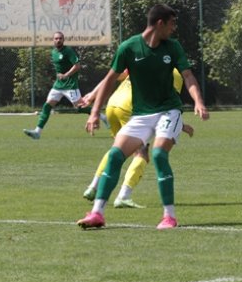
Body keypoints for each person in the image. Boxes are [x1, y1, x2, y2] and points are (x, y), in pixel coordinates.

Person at [76, 4, 209, 230]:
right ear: (160, 23)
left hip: (169, 110)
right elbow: (109, 80)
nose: (174, 29)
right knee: (115, 156)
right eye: (172, 24)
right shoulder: (129, 48)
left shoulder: (173, 47)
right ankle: (97, 214)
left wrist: (198, 101)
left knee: (158, 155)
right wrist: (94, 112)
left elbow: (188, 76)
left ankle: (169, 217)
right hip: (141, 115)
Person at [78, 68, 194, 209]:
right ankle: (123, 196)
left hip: (113, 105)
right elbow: (167, 102)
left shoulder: (143, 60)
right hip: (130, 107)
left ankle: (93, 187)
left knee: (117, 149)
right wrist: (181, 125)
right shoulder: (173, 72)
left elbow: (111, 77)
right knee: (142, 153)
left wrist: (92, 96)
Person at [23, 31, 106, 139]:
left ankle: (102, 116)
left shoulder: (68, 51)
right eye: (56, 38)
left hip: (70, 85)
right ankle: (37, 132)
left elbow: (77, 66)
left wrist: (66, 75)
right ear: (53, 40)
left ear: (63, 40)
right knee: (47, 106)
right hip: (58, 85)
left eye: (60, 38)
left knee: (79, 108)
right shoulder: (53, 52)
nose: (58, 40)